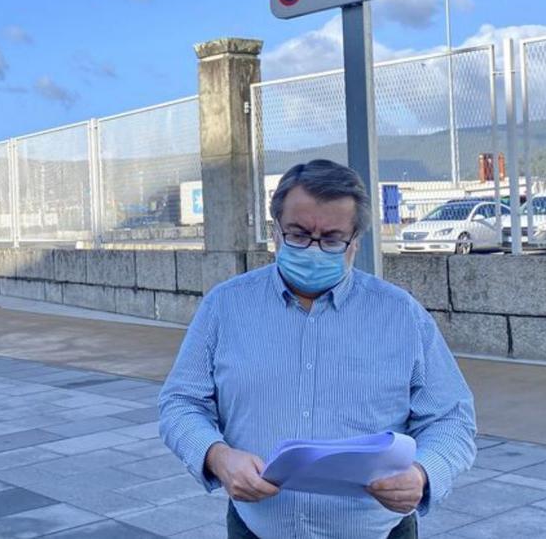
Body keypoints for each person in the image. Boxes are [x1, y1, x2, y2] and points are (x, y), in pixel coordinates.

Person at [159, 160, 476, 539]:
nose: (312, 249)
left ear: (356, 241)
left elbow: (451, 418)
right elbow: (181, 402)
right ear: (275, 231)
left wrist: (424, 473)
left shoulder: (401, 315)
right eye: (297, 234)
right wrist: (218, 457)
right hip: (256, 528)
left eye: (331, 239)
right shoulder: (225, 307)